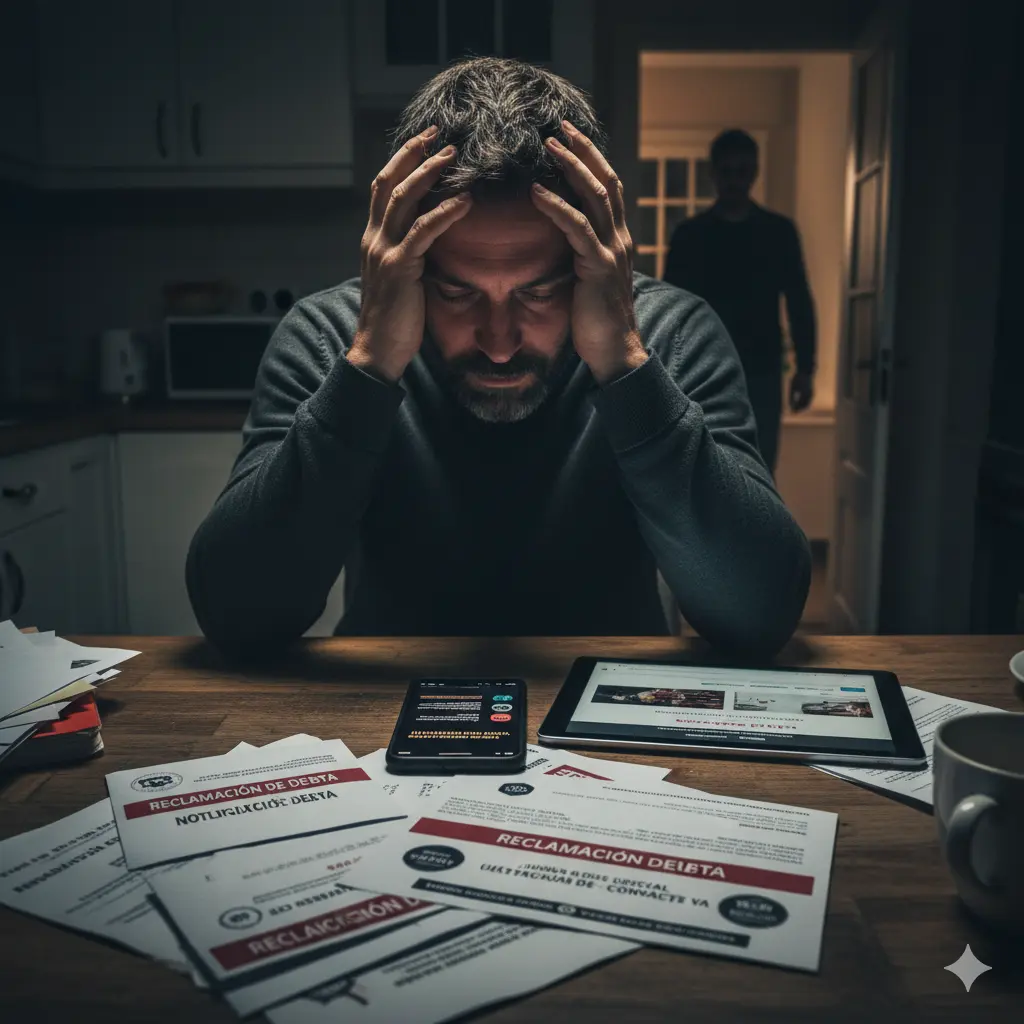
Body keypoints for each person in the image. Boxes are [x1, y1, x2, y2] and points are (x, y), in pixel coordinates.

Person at [186, 58, 810, 658]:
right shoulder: (331, 337)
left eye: (540, 290)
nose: (500, 341)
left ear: (591, 257)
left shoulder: (671, 334)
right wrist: (371, 365)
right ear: (406, 257)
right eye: (455, 291)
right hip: (376, 723)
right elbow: (240, 617)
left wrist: (624, 364)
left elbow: (758, 613)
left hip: (619, 725)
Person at [662, 129, 817, 473]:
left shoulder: (777, 233)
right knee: (702, 462)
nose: (734, 181)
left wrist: (806, 367)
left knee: (758, 465)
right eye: (727, 172)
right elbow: (671, 306)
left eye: (742, 171)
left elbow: (799, 300)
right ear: (714, 174)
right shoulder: (691, 236)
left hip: (759, 367)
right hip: (702, 366)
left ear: (754, 172)